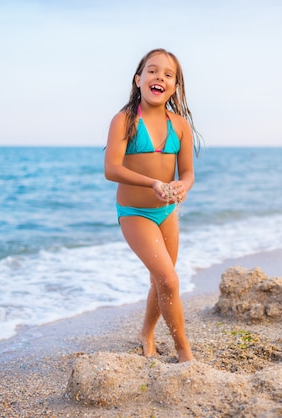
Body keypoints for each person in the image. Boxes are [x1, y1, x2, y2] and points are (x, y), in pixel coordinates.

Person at [104, 48, 201, 363]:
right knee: (169, 280)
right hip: (134, 213)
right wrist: (153, 184)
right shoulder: (125, 120)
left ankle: (146, 333)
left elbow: (187, 173)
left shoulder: (180, 125)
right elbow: (111, 169)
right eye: (152, 70)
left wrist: (181, 187)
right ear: (138, 79)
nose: (159, 77)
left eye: (168, 74)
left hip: (167, 212)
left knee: (161, 280)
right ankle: (184, 352)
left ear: (175, 86)